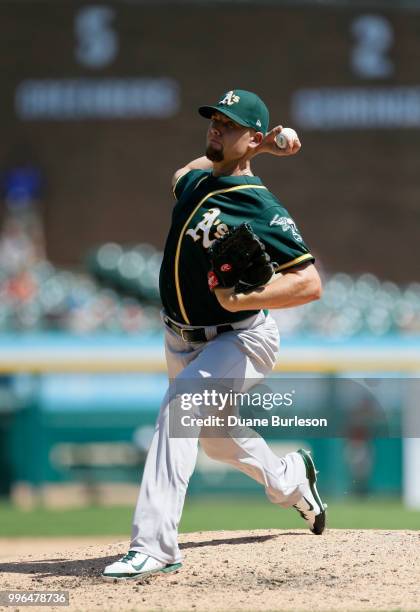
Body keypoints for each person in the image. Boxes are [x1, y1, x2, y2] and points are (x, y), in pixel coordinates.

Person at [102, 89, 326, 581]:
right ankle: (293, 481)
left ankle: (155, 546)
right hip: (181, 337)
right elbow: (180, 173)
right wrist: (258, 147)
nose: (214, 130)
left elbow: (309, 283)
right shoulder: (196, 180)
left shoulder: (260, 206)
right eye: (214, 121)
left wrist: (244, 298)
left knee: (179, 406)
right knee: (218, 443)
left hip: (241, 337)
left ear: (247, 135)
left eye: (228, 125)